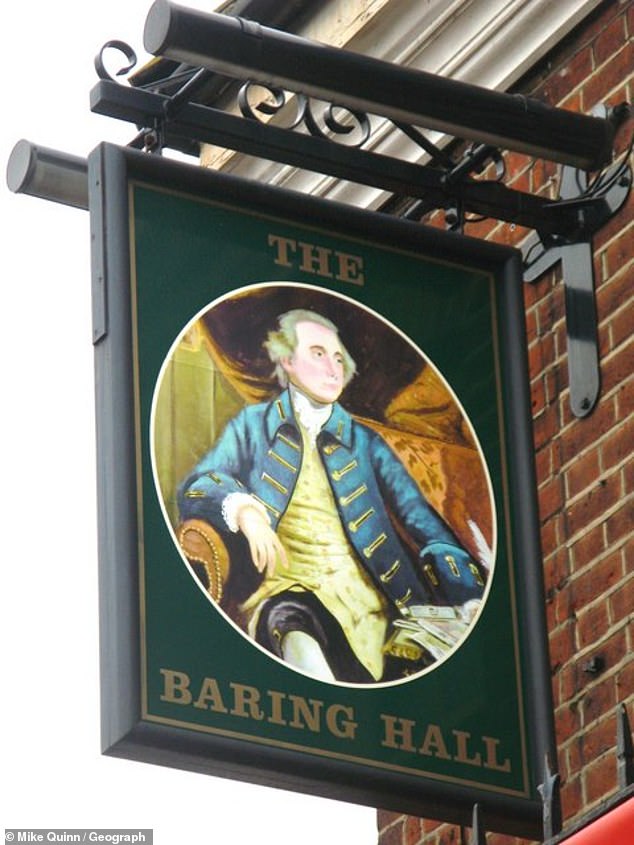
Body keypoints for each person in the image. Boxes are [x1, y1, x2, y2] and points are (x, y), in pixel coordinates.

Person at [178, 309, 486, 683]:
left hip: (371, 605)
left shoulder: (364, 442)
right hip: (287, 591)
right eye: (319, 354)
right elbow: (199, 485)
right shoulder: (253, 426)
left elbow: (419, 518)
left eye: (338, 358)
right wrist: (246, 511)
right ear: (287, 361)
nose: (333, 368)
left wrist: (467, 596)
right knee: (289, 620)